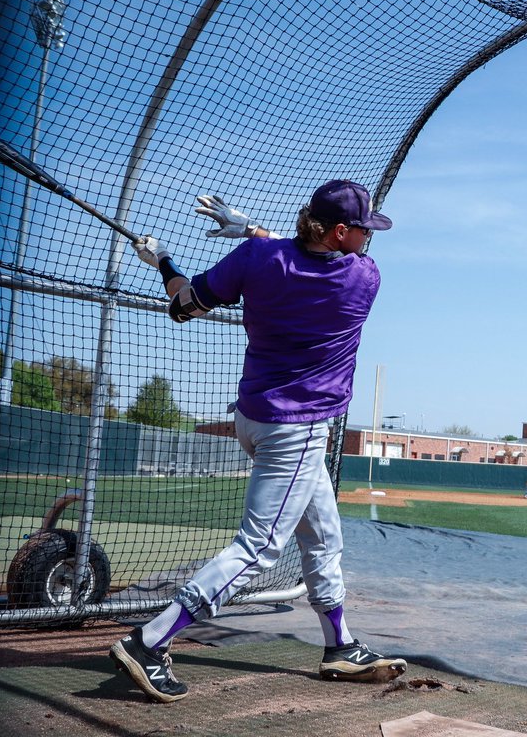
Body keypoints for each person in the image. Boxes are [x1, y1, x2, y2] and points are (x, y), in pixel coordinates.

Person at [111, 181, 403, 703]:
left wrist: (163, 260)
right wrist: (250, 228)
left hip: (252, 420)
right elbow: (304, 259)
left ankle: (340, 646)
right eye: (362, 229)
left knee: (323, 535)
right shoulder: (363, 277)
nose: (367, 238)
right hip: (298, 429)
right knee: (260, 547)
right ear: (339, 232)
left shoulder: (257, 259)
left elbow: (183, 306)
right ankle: (150, 640)